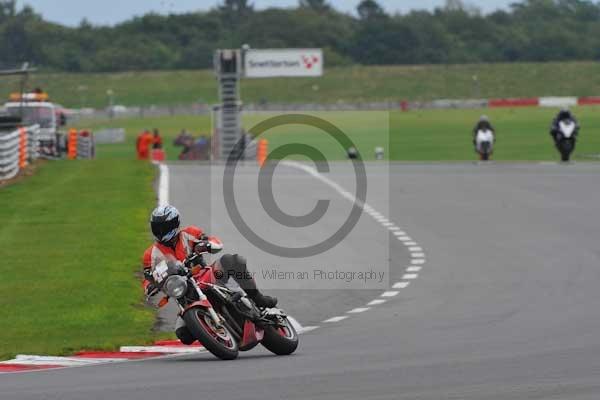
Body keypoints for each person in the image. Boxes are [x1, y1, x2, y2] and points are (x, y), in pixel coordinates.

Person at [142, 205, 278, 344]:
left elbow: (214, 241)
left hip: (204, 275)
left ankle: (258, 298)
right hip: (183, 292)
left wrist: (206, 245)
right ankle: (211, 330)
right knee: (183, 334)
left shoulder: (189, 233)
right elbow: (147, 277)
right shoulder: (150, 254)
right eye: (157, 228)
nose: (161, 231)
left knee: (231, 260)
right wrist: (150, 286)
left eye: (165, 227)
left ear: (175, 223)